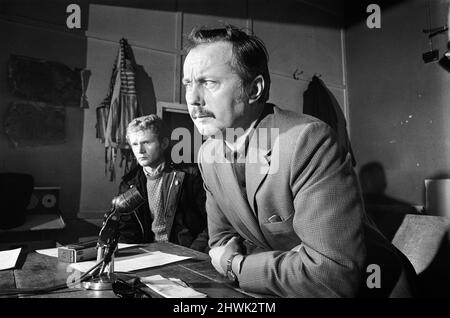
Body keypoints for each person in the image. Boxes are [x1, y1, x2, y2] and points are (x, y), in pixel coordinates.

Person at [182, 25, 419, 297]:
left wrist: (237, 264)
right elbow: (221, 243)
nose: (192, 99)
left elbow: (330, 275)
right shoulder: (207, 154)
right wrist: (289, 260)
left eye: (208, 83)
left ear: (254, 89)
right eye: (188, 84)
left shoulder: (308, 140)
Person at [117, 114, 209, 253]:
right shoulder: (129, 184)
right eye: (135, 144)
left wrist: (193, 252)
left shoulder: (191, 176)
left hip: (186, 255)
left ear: (164, 143)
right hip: (148, 257)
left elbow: (213, 223)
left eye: (147, 142)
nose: (140, 150)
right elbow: (126, 232)